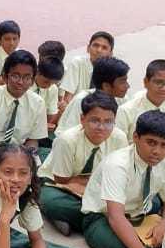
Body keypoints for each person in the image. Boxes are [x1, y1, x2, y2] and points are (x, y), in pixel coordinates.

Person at [81, 110, 165, 248]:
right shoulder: (118, 164)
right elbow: (115, 217)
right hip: (102, 218)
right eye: (151, 142)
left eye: (164, 145)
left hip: (141, 214)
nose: (157, 151)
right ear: (135, 137)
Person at [38, 91, 130, 235]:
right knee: (50, 201)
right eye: (95, 121)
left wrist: (96, 185)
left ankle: (77, 220)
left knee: (149, 201)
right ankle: (100, 221)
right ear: (82, 119)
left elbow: (120, 175)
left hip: (98, 187)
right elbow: (62, 179)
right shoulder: (67, 140)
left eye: (108, 122)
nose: (101, 127)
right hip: (60, 186)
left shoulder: (119, 138)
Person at [119, 59, 165, 146]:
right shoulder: (126, 110)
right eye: (158, 82)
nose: (164, 88)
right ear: (146, 82)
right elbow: (118, 145)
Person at [57, 57, 132, 138]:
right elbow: (68, 135)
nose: (127, 86)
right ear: (106, 86)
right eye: (122, 81)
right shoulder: (82, 100)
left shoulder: (123, 101)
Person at [60, 32, 115, 101]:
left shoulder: (113, 71)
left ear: (111, 54)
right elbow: (67, 97)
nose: (99, 50)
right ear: (88, 48)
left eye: (104, 48)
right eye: (95, 45)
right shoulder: (77, 63)